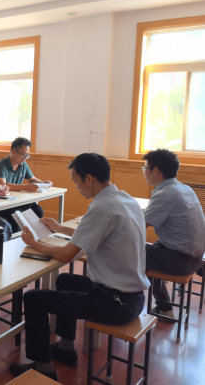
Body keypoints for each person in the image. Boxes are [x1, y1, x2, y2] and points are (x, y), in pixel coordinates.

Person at [9, 153, 150, 380]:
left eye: (76, 182)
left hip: (115, 303)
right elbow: (94, 233)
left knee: (34, 298)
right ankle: (66, 348)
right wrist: (59, 228)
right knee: (65, 280)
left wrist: (34, 243)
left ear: (89, 178)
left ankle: (43, 367)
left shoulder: (101, 208)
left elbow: (66, 255)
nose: (76, 187)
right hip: (132, 297)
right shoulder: (125, 199)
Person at [141, 149, 205, 319]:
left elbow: (137, 226)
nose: (144, 172)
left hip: (181, 261)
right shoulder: (184, 188)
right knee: (149, 249)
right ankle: (164, 306)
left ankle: (162, 307)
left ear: (155, 171)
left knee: (132, 252)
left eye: (144, 168)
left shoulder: (165, 194)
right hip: (197, 258)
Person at [0, 137, 52, 232]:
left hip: (17, 201)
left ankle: (33, 235)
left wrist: (42, 183)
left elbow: (32, 179)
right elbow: (2, 185)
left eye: (27, 156)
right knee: (17, 213)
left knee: (38, 210)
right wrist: (26, 187)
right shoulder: (0, 165)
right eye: (23, 155)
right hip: (2, 203)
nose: (25, 158)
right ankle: (15, 238)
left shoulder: (23, 164)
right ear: (14, 151)